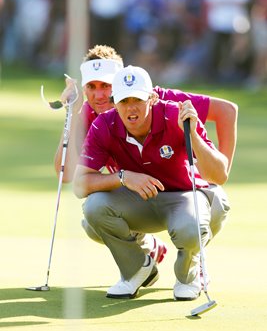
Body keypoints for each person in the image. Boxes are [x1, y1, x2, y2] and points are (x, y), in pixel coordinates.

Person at [54, 44, 237, 279]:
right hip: (139, 196)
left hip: (184, 193)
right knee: (93, 223)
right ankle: (147, 248)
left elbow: (226, 111)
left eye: (106, 86)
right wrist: (73, 111)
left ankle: (195, 255)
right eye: (91, 87)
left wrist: (218, 174)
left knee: (198, 217)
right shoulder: (90, 114)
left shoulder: (158, 100)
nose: (100, 95)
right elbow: (66, 174)